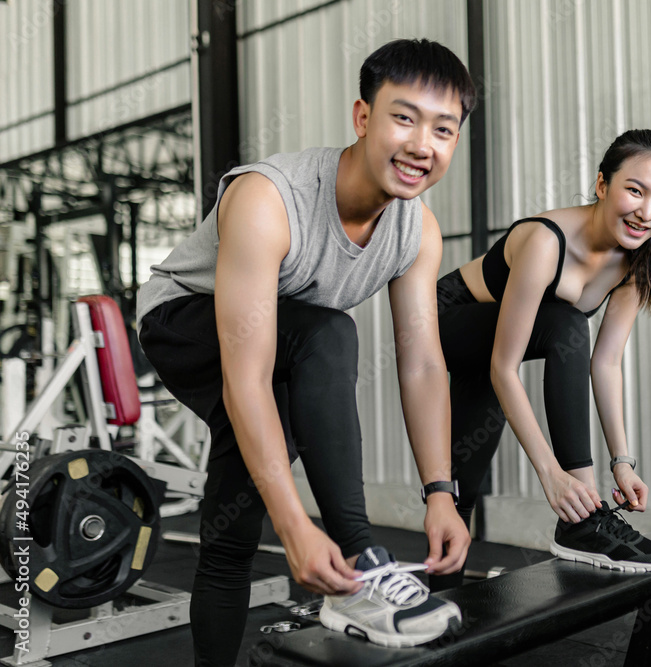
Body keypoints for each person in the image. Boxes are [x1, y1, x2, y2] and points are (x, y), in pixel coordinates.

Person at [136, 39, 475, 663]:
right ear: (363, 117)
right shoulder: (270, 198)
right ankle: (362, 560)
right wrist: (295, 525)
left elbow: (423, 362)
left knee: (231, 530)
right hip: (182, 321)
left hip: (285, 343)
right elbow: (247, 374)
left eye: (443, 129)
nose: (422, 145)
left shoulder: (417, 231)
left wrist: (440, 493)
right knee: (328, 331)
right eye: (404, 118)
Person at [431, 129, 651, 590]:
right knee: (569, 324)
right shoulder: (546, 241)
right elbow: (504, 366)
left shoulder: (635, 261)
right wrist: (552, 476)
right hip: (447, 321)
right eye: (635, 190)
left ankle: (441, 611)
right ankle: (583, 520)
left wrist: (622, 462)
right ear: (602, 185)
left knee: (459, 492)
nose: (648, 213)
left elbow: (606, 363)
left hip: (500, 343)